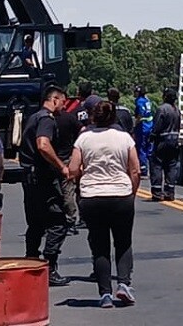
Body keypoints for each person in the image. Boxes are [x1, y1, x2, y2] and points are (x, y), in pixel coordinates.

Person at [69, 100, 141, 308]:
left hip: (92, 196)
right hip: (121, 194)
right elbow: (135, 170)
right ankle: (124, 283)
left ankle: (105, 293)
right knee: (123, 241)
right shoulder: (124, 138)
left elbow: (73, 169)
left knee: (100, 246)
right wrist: (132, 192)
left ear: (93, 116)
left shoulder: (84, 139)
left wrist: (86, 175)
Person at [19, 85, 71, 286]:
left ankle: (31, 261)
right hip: (43, 177)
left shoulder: (33, 117)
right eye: (63, 102)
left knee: (35, 223)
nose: (63, 107)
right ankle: (49, 266)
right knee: (58, 221)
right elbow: (43, 144)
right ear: (55, 99)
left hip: (30, 177)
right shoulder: (47, 119)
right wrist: (60, 166)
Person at [54, 90, 83, 235]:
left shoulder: (47, 119)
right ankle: (70, 220)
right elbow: (83, 129)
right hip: (66, 159)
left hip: (51, 159)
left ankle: (58, 220)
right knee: (68, 192)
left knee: (55, 192)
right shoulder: (69, 118)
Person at [148, 88, 181, 201]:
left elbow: (157, 125)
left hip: (162, 141)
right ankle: (169, 192)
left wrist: (152, 136)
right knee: (171, 166)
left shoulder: (162, 109)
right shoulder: (176, 110)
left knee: (157, 164)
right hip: (174, 141)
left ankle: (157, 192)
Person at [133, 86, 153, 175]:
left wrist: (135, 124)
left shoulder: (139, 101)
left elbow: (140, 113)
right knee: (149, 148)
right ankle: (152, 168)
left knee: (141, 147)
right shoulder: (147, 100)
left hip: (142, 126)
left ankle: (143, 169)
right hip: (150, 125)